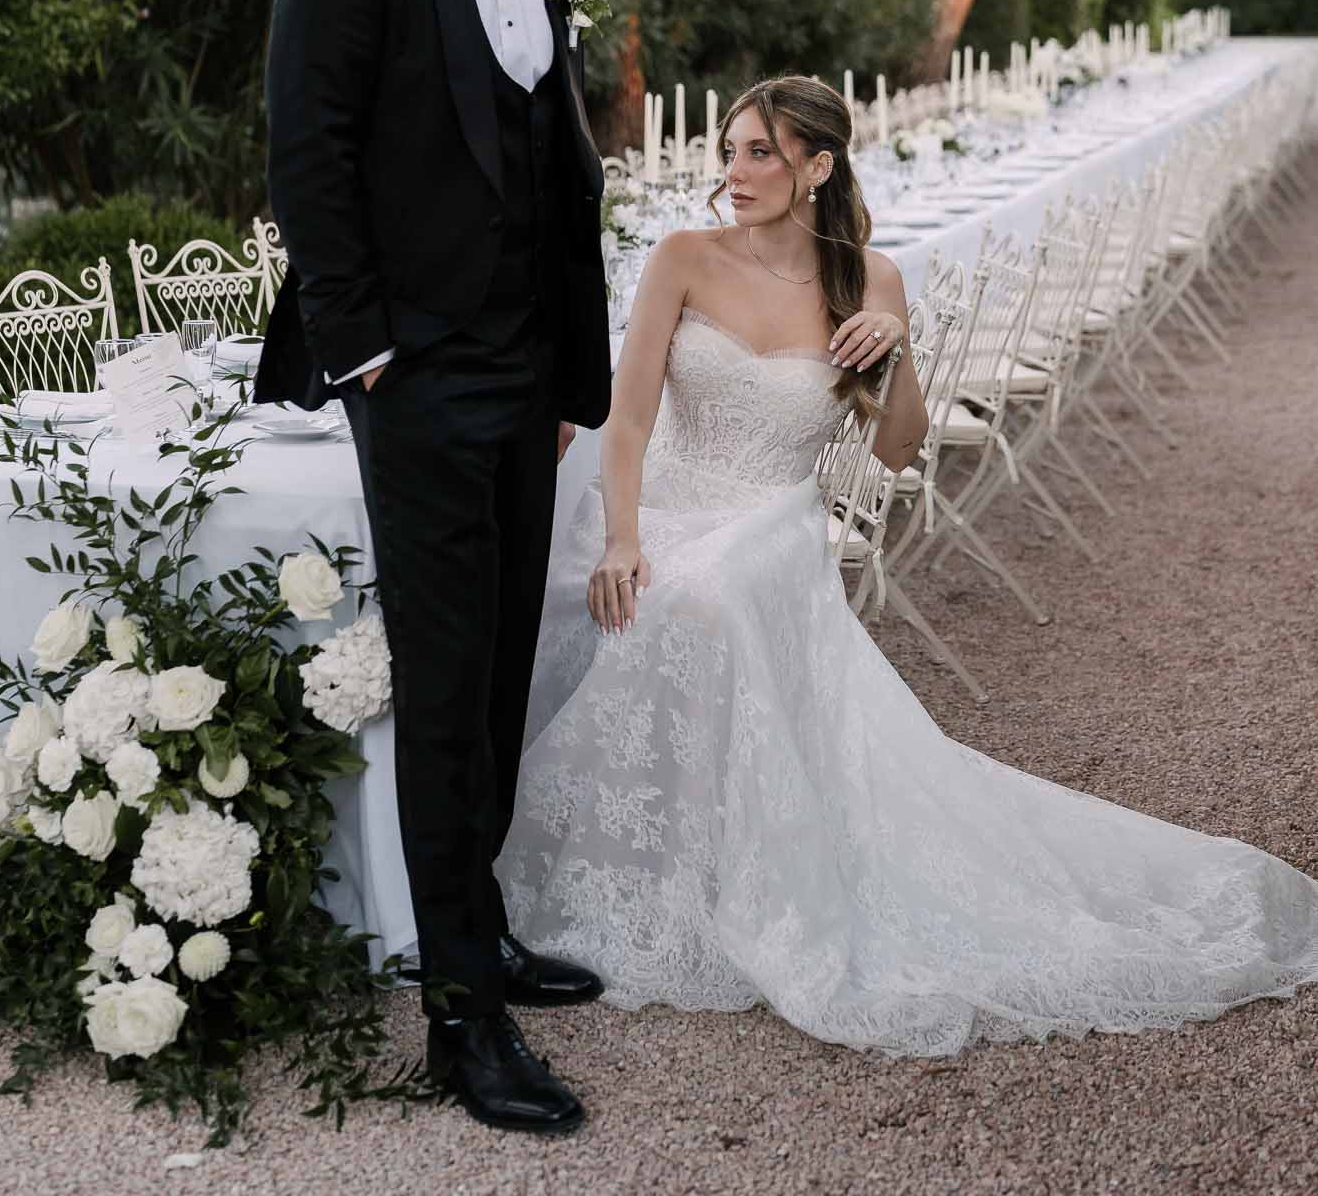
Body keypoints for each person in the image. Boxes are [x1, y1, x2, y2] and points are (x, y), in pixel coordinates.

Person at [500, 75, 1318, 1055]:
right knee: (605, 593)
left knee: (708, 599)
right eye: (730, 150)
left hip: (769, 520)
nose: (736, 170)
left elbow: (897, 449)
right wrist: (626, 535)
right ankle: (629, 855)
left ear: (818, 165)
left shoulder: (869, 280)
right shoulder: (681, 256)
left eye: (761, 151)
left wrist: (891, 355)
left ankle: (724, 868)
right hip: (660, 506)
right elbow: (626, 420)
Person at [259, 0, 610, 1136]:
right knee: (446, 692)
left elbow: (552, 173)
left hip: (528, 385)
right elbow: (308, 157)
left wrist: (571, 380)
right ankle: (459, 1023)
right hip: (416, 383)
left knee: (498, 676)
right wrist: (369, 361)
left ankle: (484, 931)